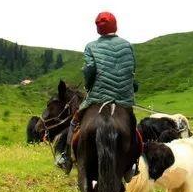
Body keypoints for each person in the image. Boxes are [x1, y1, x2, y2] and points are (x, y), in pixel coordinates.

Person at [56, 12, 139, 181]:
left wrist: (88, 86)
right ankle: (132, 165)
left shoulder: (91, 46)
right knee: (133, 126)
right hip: (123, 98)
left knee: (75, 120)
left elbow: (89, 69)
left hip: (98, 96)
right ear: (115, 26)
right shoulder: (127, 46)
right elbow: (131, 70)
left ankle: (66, 156)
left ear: (98, 29)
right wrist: (131, 86)